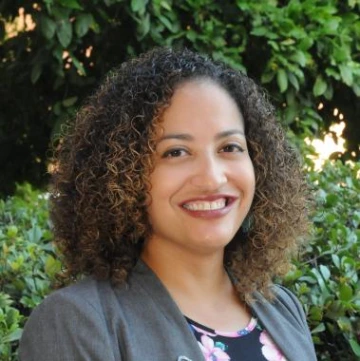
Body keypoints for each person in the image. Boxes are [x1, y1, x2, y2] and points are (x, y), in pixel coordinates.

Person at [19, 47, 317, 361]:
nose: (212, 178)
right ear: (123, 174)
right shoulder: (76, 323)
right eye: (175, 152)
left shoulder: (281, 307)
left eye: (230, 147)